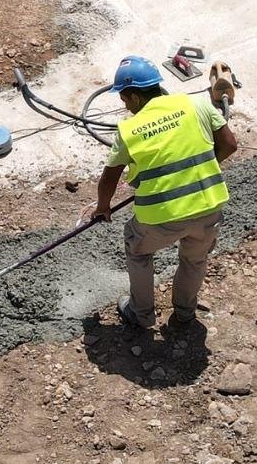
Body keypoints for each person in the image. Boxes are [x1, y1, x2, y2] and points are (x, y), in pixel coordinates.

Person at [85, 55, 238, 332]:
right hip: (208, 205)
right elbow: (229, 144)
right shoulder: (197, 104)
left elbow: (110, 176)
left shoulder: (129, 129)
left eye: (123, 99)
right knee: (194, 259)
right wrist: (200, 168)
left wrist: (102, 208)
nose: (124, 105)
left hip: (161, 215)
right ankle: (184, 313)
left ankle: (141, 313)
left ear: (132, 96)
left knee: (137, 249)